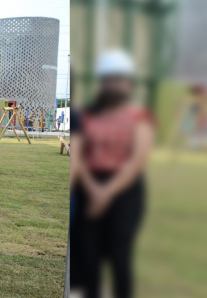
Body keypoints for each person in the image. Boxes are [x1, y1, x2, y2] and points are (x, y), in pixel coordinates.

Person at [71, 50, 152, 298]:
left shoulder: (139, 117)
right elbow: (79, 155)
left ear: (129, 83)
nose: (114, 85)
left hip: (125, 192)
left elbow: (136, 161)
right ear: (102, 82)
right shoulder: (87, 115)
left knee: (119, 256)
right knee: (90, 257)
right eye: (109, 79)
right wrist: (94, 190)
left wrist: (107, 193)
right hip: (89, 187)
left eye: (120, 79)